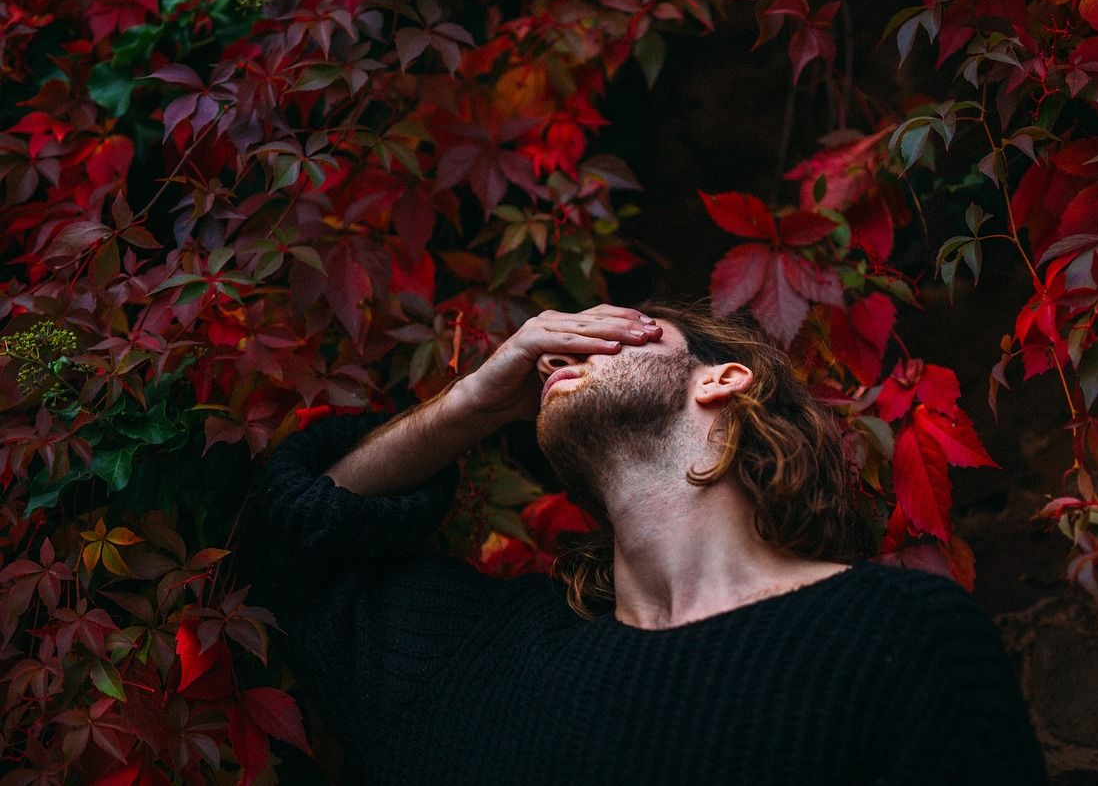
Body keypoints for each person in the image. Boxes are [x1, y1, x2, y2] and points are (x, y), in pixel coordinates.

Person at [258, 302, 1047, 785]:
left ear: (723, 379)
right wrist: (469, 404)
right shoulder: (467, 652)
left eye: (613, 329)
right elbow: (290, 547)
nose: (560, 350)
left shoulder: (899, 632)